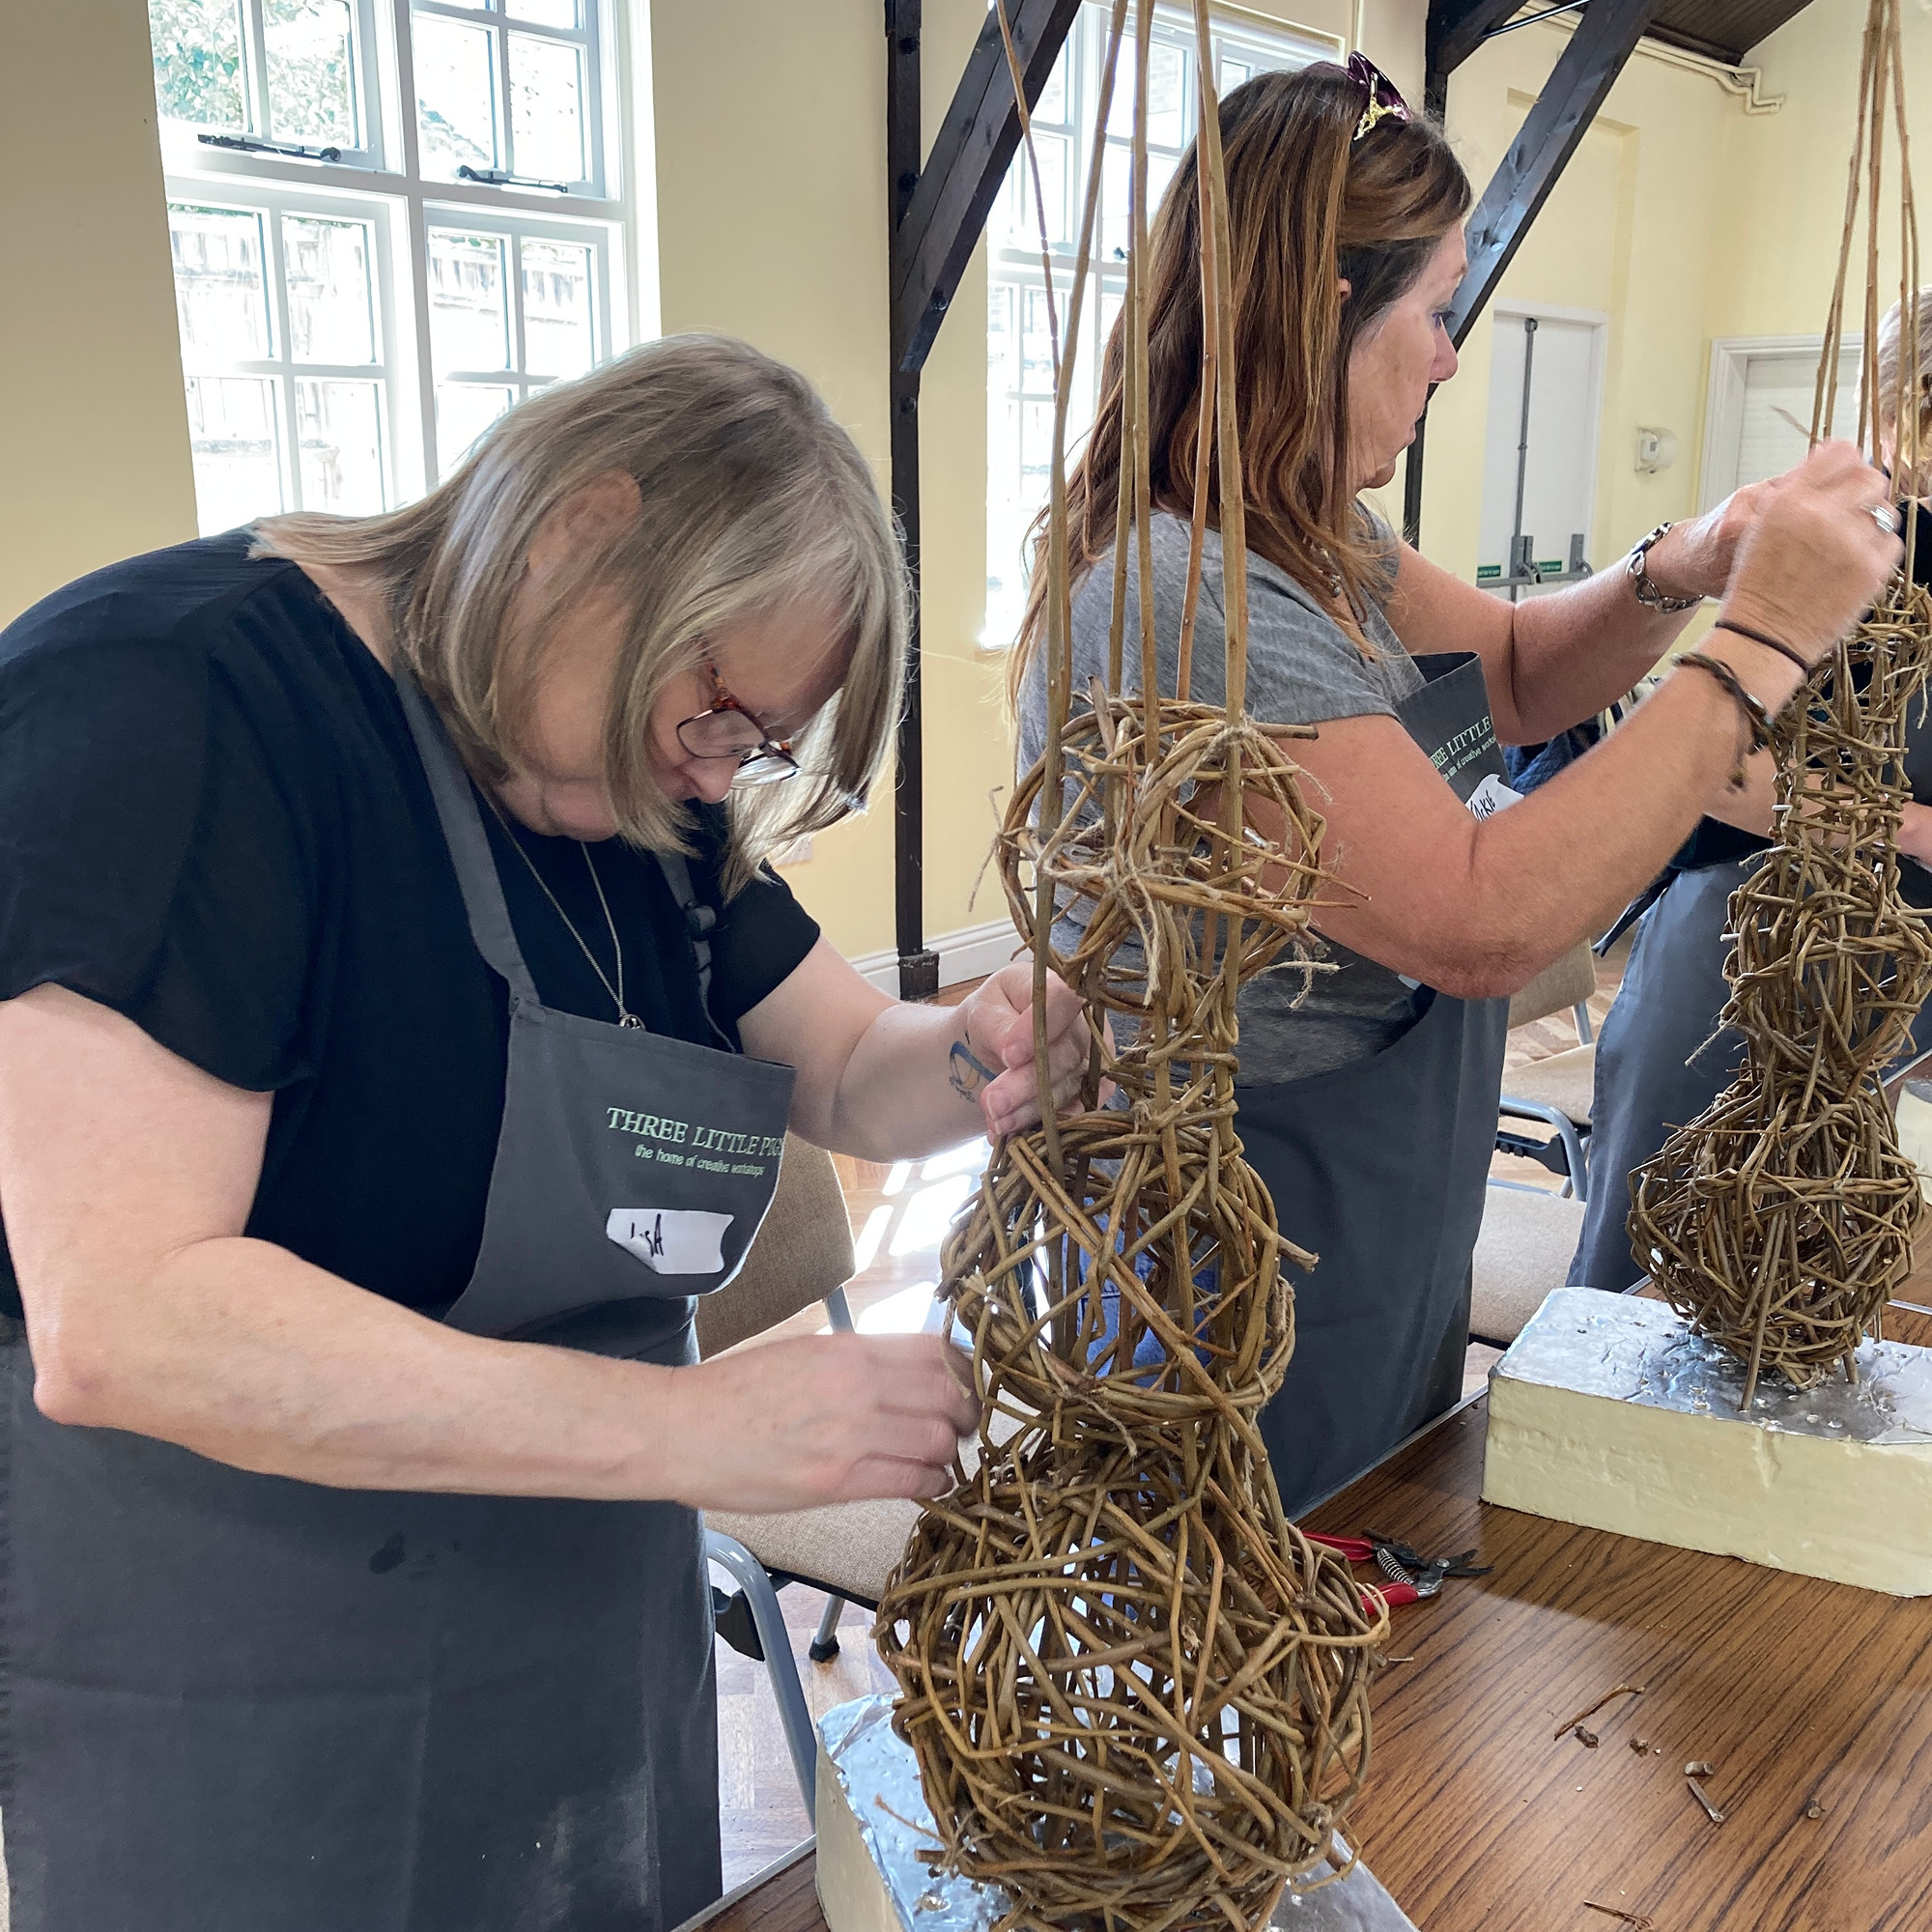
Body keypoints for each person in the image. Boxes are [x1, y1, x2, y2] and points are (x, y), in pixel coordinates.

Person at [0, 334, 1094, 1932]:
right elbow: (128, 1321)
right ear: (583, 531)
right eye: (717, 708)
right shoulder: (173, 709)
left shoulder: (631, 798)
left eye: (758, 747)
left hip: (571, 1650)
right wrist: (694, 1435)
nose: (716, 771)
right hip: (251, 1685)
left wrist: (980, 1048)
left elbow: (855, 1063)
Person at [1013, 58, 1901, 1514]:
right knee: (1239, 1654)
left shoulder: (1306, 535)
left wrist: (1680, 567)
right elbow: (1479, 916)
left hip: (1367, 1214)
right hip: (1236, 1244)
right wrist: (1757, 647)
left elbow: (1512, 669)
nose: (1448, 357)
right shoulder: (1183, 590)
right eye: (1434, 313)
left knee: (1363, 1600)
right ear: (1317, 316)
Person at [1571, 289, 1932, 1292]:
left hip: (1898, 959)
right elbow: (1719, 768)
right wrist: (1903, 826)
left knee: (1808, 1253)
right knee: (1643, 1234)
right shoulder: (1852, 546)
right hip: (1748, 925)